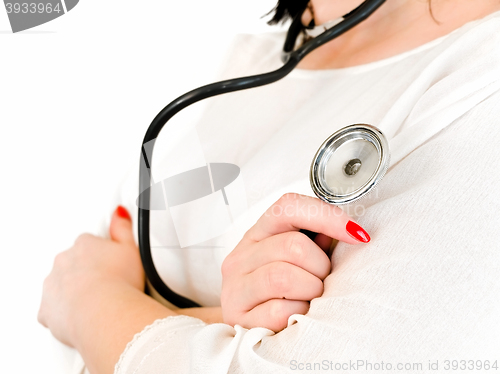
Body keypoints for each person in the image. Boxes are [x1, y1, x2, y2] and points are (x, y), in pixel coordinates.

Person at [38, 0, 500, 373]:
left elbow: (74, 295)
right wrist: (222, 334)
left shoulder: (482, 80)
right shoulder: (240, 58)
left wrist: (91, 302)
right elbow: (60, 344)